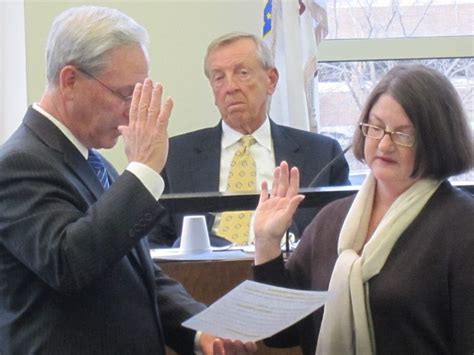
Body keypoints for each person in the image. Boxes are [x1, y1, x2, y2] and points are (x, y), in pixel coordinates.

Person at [0, 6, 257, 355]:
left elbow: (137, 273)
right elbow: (70, 263)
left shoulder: (91, 161)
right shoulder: (19, 164)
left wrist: (201, 329)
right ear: (70, 81)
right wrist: (144, 171)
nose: (131, 110)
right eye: (125, 95)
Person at [252, 64, 474, 354]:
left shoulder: (462, 227)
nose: (384, 144)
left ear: (436, 139)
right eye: (376, 127)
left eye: (402, 134)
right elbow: (280, 334)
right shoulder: (331, 220)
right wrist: (266, 243)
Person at [150, 32, 350, 248]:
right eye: (219, 78)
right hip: (202, 276)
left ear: (271, 80)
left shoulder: (322, 154)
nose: (230, 87)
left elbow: (341, 233)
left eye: (242, 73)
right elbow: (153, 242)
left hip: (286, 274)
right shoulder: (176, 156)